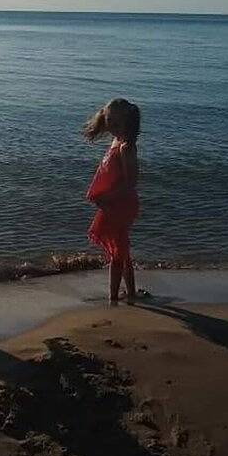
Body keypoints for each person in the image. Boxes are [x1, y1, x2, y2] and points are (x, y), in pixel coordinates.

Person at [83, 98, 145, 303]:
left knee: (118, 254)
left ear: (127, 122)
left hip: (121, 205)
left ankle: (112, 299)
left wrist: (108, 197)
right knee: (123, 252)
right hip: (113, 203)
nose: (112, 127)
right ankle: (131, 293)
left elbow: (131, 182)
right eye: (109, 121)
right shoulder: (116, 140)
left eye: (117, 123)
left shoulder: (126, 147)